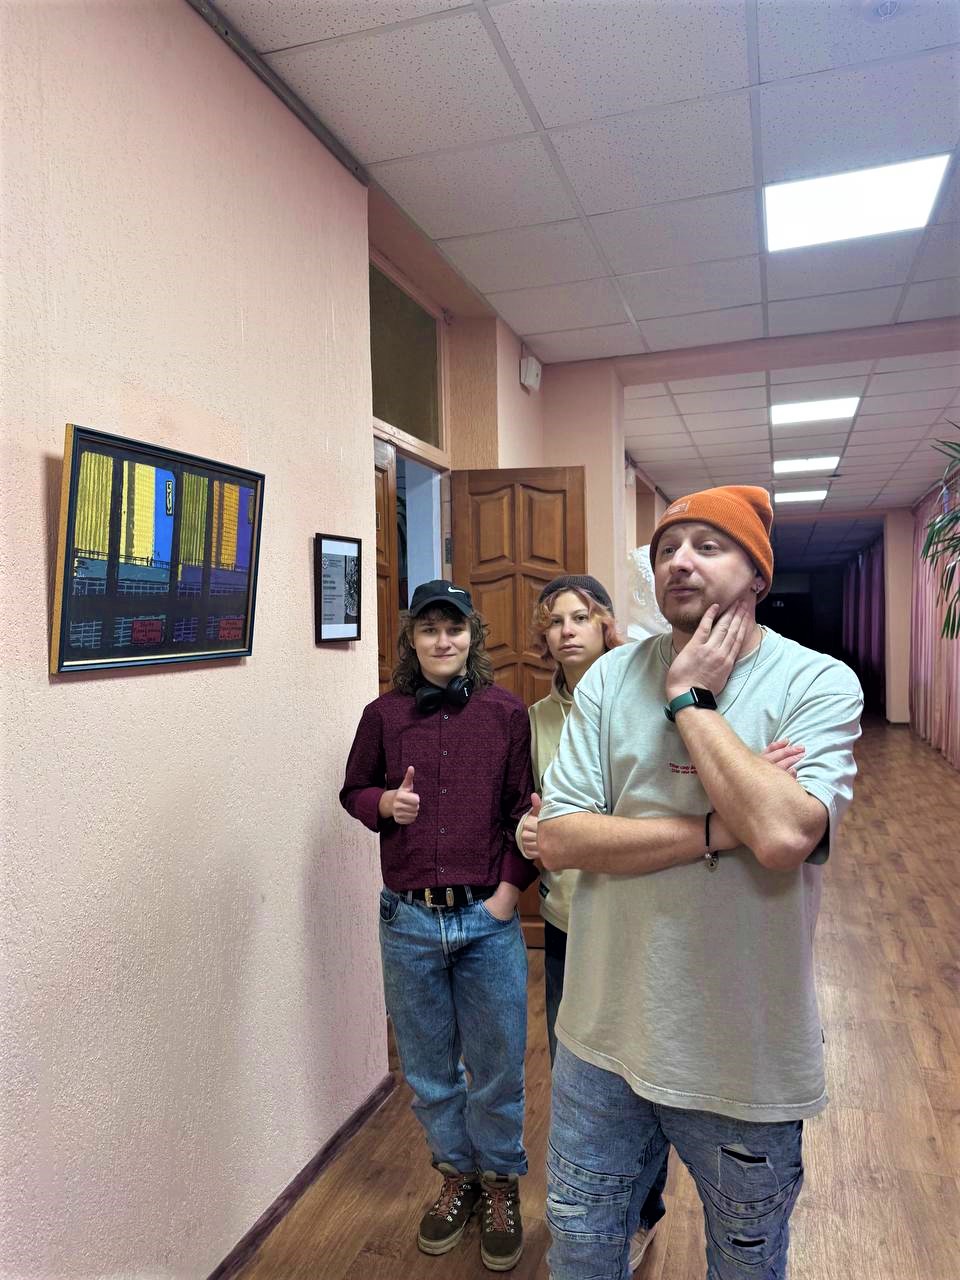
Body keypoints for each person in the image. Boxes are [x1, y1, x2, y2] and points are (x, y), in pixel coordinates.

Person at [537, 487, 863, 1280]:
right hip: (600, 1041)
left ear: (758, 574)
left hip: (741, 1057)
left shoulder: (817, 682)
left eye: (708, 546)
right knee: (580, 1249)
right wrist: (721, 829)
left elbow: (782, 836)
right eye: (666, 548)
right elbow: (562, 837)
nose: (679, 561)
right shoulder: (609, 679)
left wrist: (691, 700)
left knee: (746, 1262)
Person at [340, 579, 536, 1273]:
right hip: (409, 922)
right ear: (412, 639)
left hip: (487, 919)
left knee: (497, 1066)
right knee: (428, 1071)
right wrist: (382, 804)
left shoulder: (507, 714)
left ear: (472, 635)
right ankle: (457, 1177)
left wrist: (507, 896)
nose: (443, 640)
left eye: (454, 628)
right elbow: (352, 789)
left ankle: (501, 1182)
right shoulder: (383, 715)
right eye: (429, 629)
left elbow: (524, 810)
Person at [516, 574, 669, 1271]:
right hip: (566, 919)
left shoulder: (647, 698)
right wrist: (527, 830)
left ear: (606, 624)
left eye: (581, 617)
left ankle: (643, 1211)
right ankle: (591, 1218)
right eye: (555, 621)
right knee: (577, 1077)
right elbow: (536, 807)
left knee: (642, 1074)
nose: (567, 631)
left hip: (636, 916)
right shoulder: (536, 718)